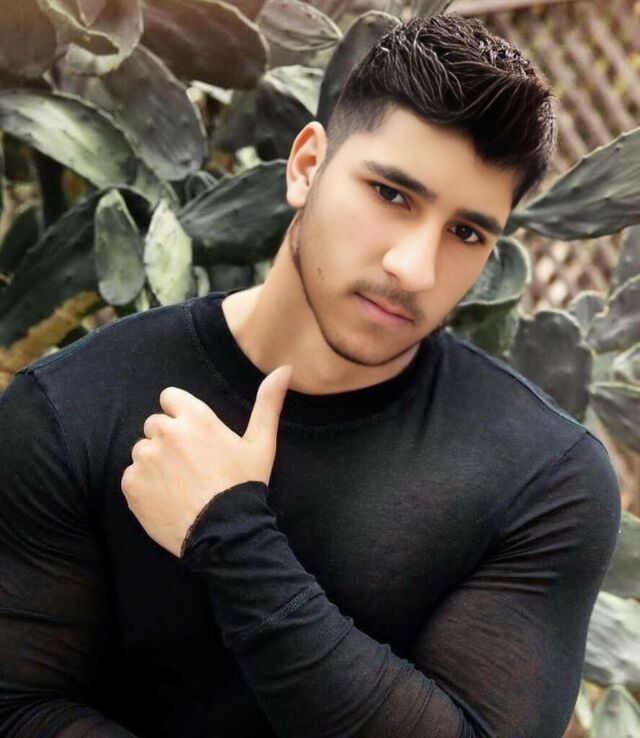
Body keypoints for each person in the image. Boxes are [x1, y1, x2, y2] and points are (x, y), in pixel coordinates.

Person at [0, 13, 621, 738]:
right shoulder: (69, 406)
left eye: (466, 232)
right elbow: (18, 708)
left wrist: (231, 536)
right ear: (305, 167)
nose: (414, 269)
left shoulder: (545, 477)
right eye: (391, 194)